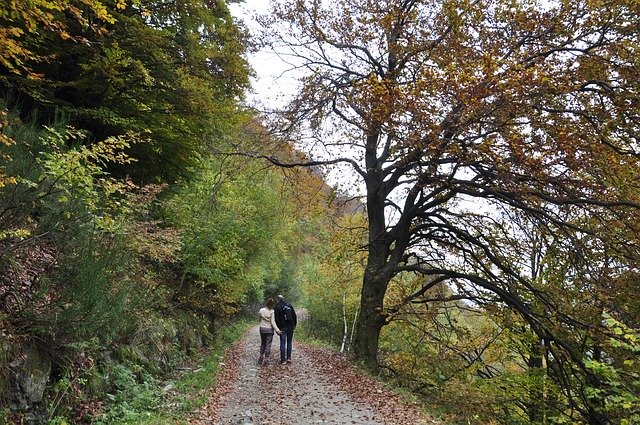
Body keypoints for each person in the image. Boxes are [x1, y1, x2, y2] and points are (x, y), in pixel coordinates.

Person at [274, 294, 297, 364]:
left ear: (278, 300)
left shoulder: (277, 307)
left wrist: (278, 329)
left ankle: (283, 360)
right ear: (283, 299)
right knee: (289, 342)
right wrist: (294, 325)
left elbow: (277, 319)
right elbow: (294, 316)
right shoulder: (289, 305)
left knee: (282, 343)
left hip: (283, 328)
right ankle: (289, 358)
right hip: (290, 327)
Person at [258, 298, 281, 366]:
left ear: (266, 303)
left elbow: (259, 319)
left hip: (262, 329)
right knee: (268, 345)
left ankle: (261, 356)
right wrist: (277, 330)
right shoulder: (272, 311)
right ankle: (266, 360)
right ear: (272, 304)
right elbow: (273, 322)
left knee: (263, 343)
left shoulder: (261, 310)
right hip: (269, 330)